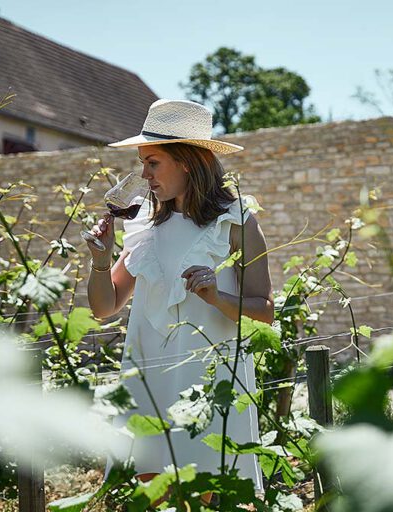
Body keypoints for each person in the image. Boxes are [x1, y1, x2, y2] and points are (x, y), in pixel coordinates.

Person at [84, 99, 273, 499]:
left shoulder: (237, 222)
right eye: (141, 162)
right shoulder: (142, 224)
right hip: (149, 372)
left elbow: (265, 311)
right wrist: (101, 261)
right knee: (152, 489)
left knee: (202, 489)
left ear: (186, 161)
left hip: (207, 378)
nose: (144, 174)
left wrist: (215, 295)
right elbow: (104, 307)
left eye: (152, 162)